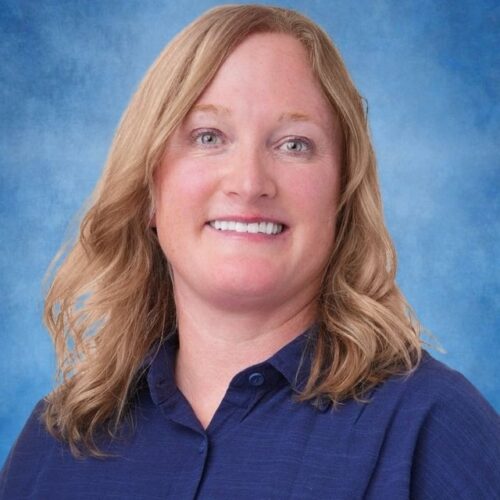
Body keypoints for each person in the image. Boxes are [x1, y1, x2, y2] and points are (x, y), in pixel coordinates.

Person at [1, 4, 499, 499]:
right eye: (208, 137)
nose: (249, 182)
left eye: (294, 144)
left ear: (341, 195)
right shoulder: (54, 445)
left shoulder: (433, 428)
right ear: (148, 189)